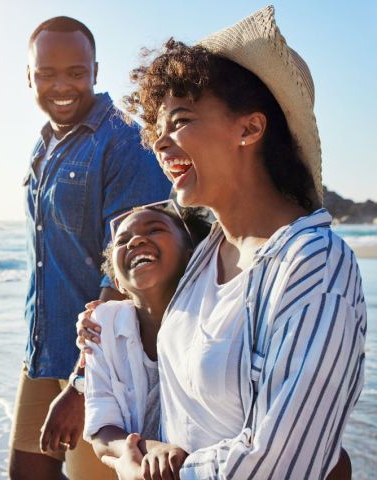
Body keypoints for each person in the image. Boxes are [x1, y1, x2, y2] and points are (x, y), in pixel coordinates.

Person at [76, 6, 364, 479]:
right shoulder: (203, 256)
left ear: (249, 129)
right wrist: (106, 326)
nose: (160, 144)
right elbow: (171, 389)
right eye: (157, 130)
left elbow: (282, 463)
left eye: (181, 121)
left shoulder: (313, 264)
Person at [9, 16, 171, 480]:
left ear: (95, 71)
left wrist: (82, 384)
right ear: (30, 77)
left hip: (101, 365)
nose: (61, 86)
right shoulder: (45, 146)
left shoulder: (123, 142)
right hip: (43, 353)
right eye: (46, 74)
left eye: (75, 73)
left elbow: (130, 273)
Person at [83, 202, 211, 480]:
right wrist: (142, 450)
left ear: (192, 255)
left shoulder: (214, 321)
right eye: (122, 240)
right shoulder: (100, 326)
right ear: (117, 281)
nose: (137, 240)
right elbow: (101, 429)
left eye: (155, 229)